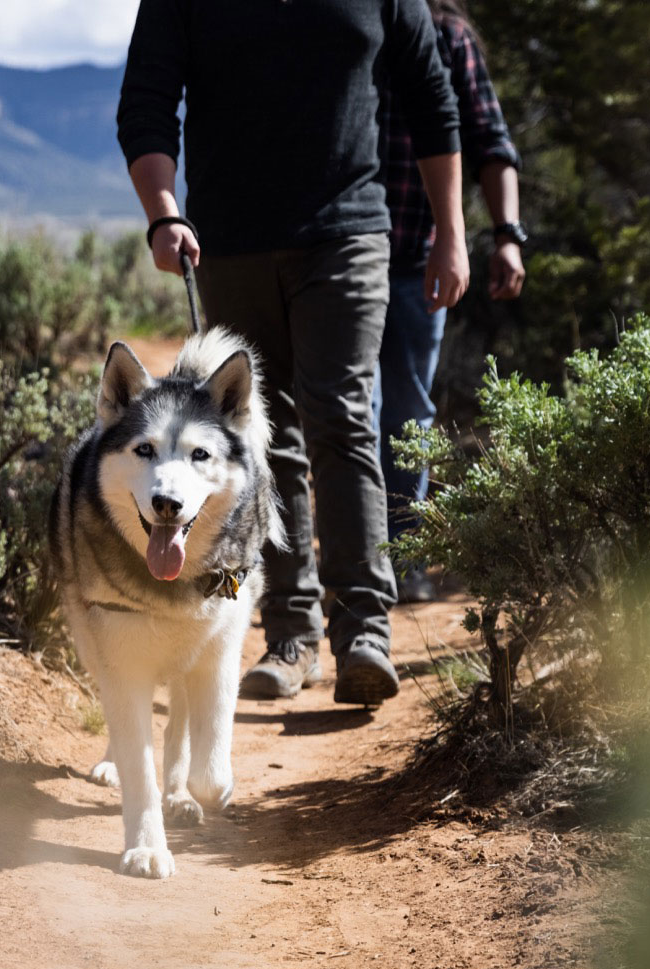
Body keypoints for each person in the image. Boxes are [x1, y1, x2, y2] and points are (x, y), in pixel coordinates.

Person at [117, 0, 470, 706]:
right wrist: (164, 211)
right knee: (263, 435)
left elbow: (434, 97)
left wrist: (452, 231)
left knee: (340, 415)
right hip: (232, 241)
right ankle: (290, 635)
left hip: (348, 231)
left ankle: (364, 629)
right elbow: (147, 101)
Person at [377, 0, 525, 602]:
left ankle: (405, 559)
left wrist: (505, 236)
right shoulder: (345, 21)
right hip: (331, 261)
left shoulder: (446, 36)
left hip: (418, 260)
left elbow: (491, 142)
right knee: (343, 415)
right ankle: (356, 564)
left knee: (406, 411)